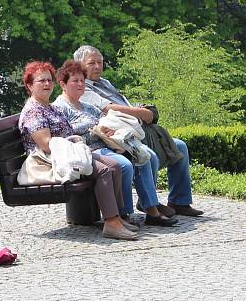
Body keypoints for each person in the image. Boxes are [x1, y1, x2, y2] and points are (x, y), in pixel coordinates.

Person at [73, 45, 203, 217]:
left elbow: (122, 106)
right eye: (92, 63)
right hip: (119, 137)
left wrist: (141, 110)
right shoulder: (83, 88)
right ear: (79, 65)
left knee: (180, 147)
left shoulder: (104, 83)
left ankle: (179, 201)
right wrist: (142, 113)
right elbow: (109, 109)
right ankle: (149, 203)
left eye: (100, 62)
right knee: (150, 155)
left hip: (135, 130)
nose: (97, 67)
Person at [18, 61, 139, 240]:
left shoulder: (48, 107)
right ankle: (111, 223)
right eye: (41, 81)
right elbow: (46, 145)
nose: (47, 84)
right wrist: (75, 142)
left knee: (114, 165)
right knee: (104, 170)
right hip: (50, 161)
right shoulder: (34, 111)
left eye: (49, 80)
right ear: (29, 85)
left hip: (68, 153)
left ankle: (118, 217)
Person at [52, 60, 178, 227]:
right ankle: (123, 213)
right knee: (125, 165)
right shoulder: (59, 107)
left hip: (107, 145)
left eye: (82, 80)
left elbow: (106, 121)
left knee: (145, 156)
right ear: (63, 84)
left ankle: (151, 209)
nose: (80, 84)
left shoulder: (87, 106)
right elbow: (65, 135)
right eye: (75, 81)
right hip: (87, 151)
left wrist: (108, 130)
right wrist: (94, 128)